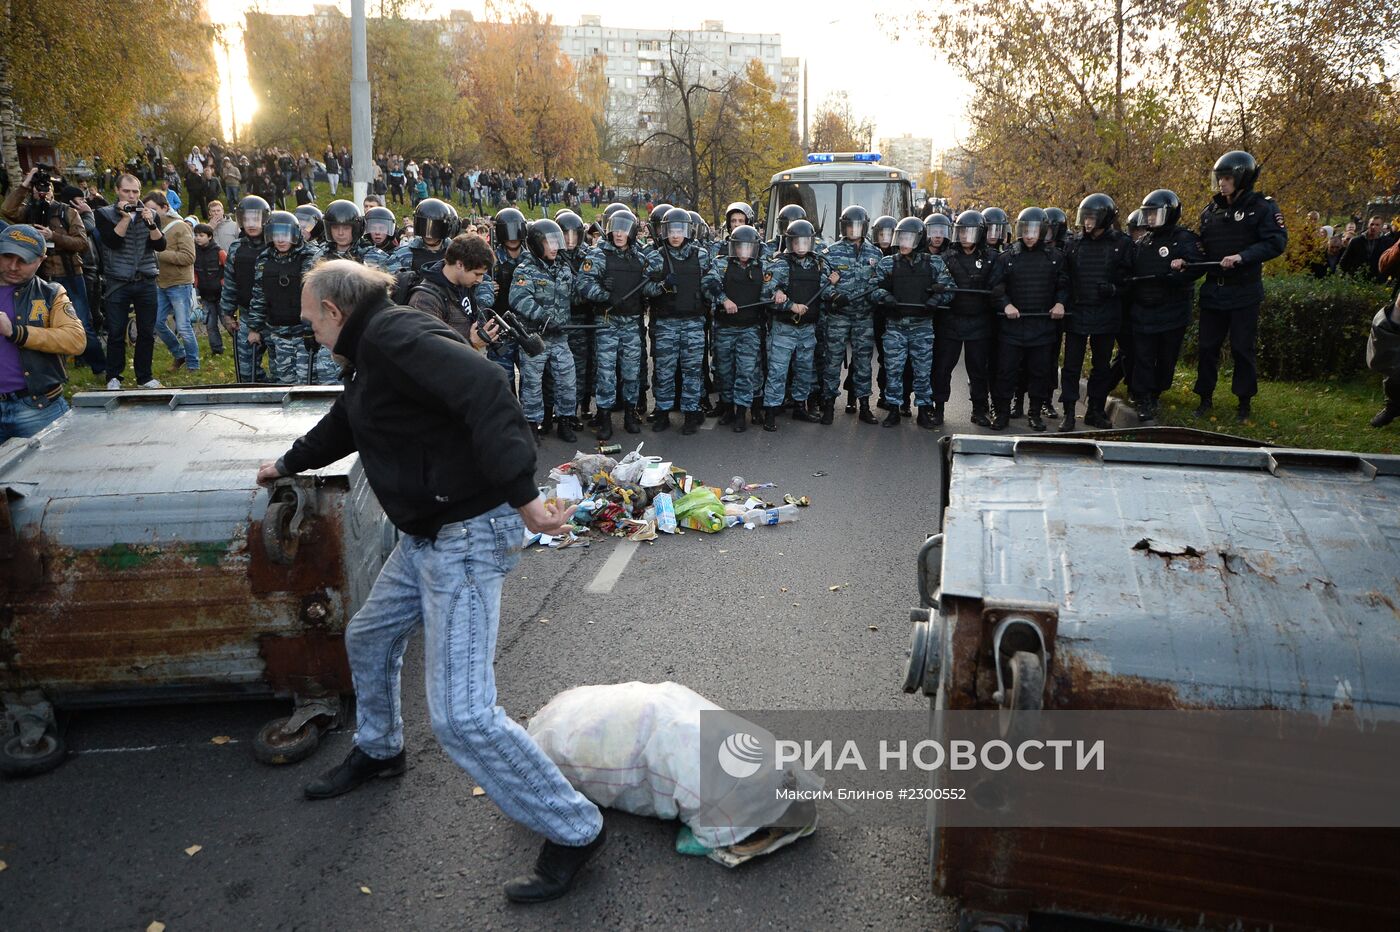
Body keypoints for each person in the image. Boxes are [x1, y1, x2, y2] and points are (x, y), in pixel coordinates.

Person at [262, 260, 606, 903]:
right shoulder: (374, 347)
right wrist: (287, 463)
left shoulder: (395, 337)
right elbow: (350, 420)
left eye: (310, 319)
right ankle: (381, 747)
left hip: (467, 534)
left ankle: (576, 829)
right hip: (429, 532)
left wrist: (524, 495)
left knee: (462, 717)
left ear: (335, 311)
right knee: (368, 634)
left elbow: (489, 389)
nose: (308, 330)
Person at [1193, 150, 1287, 423]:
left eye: (1227, 178)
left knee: (1242, 348)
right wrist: (1186, 257)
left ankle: (1244, 403)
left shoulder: (1262, 208)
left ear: (1242, 178)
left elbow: (1276, 242)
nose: (1222, 183)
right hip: (1213, 291)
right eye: (1219, 178)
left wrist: (1243, 257)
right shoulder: (1210, 211)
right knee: (1207, 347)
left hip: (1244, 291)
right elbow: (1203, 247)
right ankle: (1204, 398)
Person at [1, 166, 104, 373]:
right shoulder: (28, 211)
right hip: (37, 276)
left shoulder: (67, 211)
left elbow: (82, 243)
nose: (42, 191)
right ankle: (57, 366)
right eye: (38, 187)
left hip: (69, 274)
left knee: (82, 323)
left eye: (47, 187)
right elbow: (8, 211)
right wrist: (24, 184)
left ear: (52, 190)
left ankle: (100, 366)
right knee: (41, 325)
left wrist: (53, 236)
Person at [577, 210, 661, 439]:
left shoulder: (639, 257)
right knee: (606, 371)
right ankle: (604, 416)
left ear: (632, 232)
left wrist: (663, 286)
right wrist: (604, 294)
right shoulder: (598, 255)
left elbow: (646, 287)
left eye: (625, 229)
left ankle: (630, 414)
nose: (619, 234)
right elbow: (582, 284)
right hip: (607, 321)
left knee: (632, 371)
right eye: (616, 228)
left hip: (632, 322)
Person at [0, 224, 86, 441]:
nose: (12, 266)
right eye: (7, 256)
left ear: (41, 260)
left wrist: (17, 333)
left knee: (52, 474)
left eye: (23, 260)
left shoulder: (51, 293)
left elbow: (75, 340)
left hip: (39, 407)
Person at [1128, 189, 1207, 423]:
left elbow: (1198, 265)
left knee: (1166, 357)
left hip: (1172, 312)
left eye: (1155, 214)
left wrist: (1183, 267)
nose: (1150, 218)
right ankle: (1143, 398)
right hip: (1144, 310)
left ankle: (1156, 392)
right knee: (1142, 356)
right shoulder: (1144, 242)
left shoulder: (1184, 239)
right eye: (1148, 214)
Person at [868, 217, 954, 429]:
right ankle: (894, 409)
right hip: (895, 326)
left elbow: (949, 287)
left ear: (918, 240)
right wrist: (884, 297)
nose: (904, 243)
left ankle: (924, 410)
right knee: (893, 370)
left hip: (922, 326)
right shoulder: (888, 263)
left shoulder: (933, 263)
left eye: (909, 238)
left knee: (922, 371)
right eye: (901, 238)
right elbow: (872, 288)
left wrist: (937, 298)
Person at [1057, 193, 1133, 431]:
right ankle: (1069, 412)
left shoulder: (1122, 244)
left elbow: (1131, 280)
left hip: (1106, 313)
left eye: (1092, 218)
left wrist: (1114, 289)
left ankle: (1096, 410)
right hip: (1078, 312)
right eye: (1085, 217)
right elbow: (1064, 278)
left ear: (1105, 218)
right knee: (1071, 365)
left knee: (1101, 366)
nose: (1087, 222)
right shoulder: (1074, 244)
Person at [989, 207, 1069, 432]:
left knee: (1039, 372)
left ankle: (1034, 414)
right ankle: (1003, 413)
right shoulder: (1008, 257)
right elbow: (995, 287)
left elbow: (1064, 285)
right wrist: (1006, 304)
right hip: (1012, 327)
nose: (1030, 235)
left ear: (1043, 231)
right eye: (1026, 230)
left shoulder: (1055, 258)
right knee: (1006, 371)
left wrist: (1060, 303)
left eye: (1034, 230)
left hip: (1042, 326)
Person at [247, 210, 336, 385]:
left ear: (295, 234)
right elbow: (259, 295)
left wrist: (314, 329)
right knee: (284, 381)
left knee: (306, 381)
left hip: (304, 333)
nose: (281, 240)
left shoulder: (312, 256)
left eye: (285, 234)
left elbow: (319, 295)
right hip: (278, 332)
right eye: (276, 234)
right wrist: (254, 328)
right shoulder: (264, 260)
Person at [95, 174, 168, 389]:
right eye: (127, 191)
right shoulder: (104, 214)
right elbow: (112, 242)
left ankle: (144, 377)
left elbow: (161, 245)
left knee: (146, 332)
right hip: (118, 280)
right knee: (116, 332)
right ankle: (114, 376)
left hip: (145, 279)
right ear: (117, 191)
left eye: (135, 191)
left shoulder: (150, 214)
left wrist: (151, 224)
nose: (131, 195)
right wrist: (125, 218)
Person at [509, 219, 578, 442]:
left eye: (556, 242)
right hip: (534, 338)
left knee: (567, 380)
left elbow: (574, 296)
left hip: (560, 338)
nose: (555, 247)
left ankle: (565, 421)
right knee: (532, 383)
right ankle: (531, 425)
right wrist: (545, 318)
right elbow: (519, 299)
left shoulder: (564, 268)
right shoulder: (524, 269)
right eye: (550, 242)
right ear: (537, 244)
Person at [648, 206, 713, 434]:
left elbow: (711, 281)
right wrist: (662, 285)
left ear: (687, 231)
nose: (675, 235)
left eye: (680, 230)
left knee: (692, 371)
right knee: (665, 370)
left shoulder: (701, 255)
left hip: (694, 322)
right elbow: (644, 288)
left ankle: (691, 413)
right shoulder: (657, 257)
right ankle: (663, 412)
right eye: (671, 230)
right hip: (667, 322)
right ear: (665, 231)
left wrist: (715, 291)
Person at [760, 218, 829, 430]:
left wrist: (833, 281)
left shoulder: (818, 263)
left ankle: (800, 406)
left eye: (805, 241)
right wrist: (790, 304)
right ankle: (771, 411)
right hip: (784, 328)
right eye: (796, 242)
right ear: (790, 242)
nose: (801, 246)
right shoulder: (781, 264)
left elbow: (826, 289)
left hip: (807, 328)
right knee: (778, 371)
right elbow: (765, 293)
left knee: (804, 370)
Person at [703, 224, 772, 432]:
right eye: (740, 247)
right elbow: (708, 282)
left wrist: (776, 295)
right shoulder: (722, 263)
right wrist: (724, 300)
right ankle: (727, 409)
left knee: (745, 371)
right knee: (724, 370)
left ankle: (742, 412)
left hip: (749, 328)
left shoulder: (763, 266)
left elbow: (772, 287)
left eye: (748, 247)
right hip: (725, 328)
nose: (744, 251)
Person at [821, 205, 883, 424]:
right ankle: (828, 403)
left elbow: (879, 282)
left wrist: (876, 296)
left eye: (857, 226)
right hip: (838, 316)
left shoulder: (875, 253)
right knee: (832, 360)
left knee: (863, 362)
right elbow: (822, 284)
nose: (853, 230)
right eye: (849, 226)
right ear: (843, 227)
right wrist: (834, 296)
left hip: (863, 317)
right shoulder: (831, 252)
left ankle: (863, 404)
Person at [934, 210, 995, 428]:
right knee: (942, 367)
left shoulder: (991, 257)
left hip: (979, 321)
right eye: (962, 231)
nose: (965, 236)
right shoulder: (946, 258)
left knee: (978, 368)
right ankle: (938, 407)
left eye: (970, 232)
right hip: (951, 320)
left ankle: (979, 409)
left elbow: (999, 283)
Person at [404, 232, 494, 348]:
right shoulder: (426, 300)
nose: (480, 280)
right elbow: (428, 350)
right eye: (477, 274)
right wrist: (472, 344)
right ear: (460, 264)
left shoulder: (462, 284)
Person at [475, 207, 530, 387]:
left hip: (526, 327)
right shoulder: (491, 260)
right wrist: (486, 286)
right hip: (500, 328)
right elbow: (476, 286)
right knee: (503, 381)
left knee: (530, 382)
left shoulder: (531, 259)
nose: (512, 237)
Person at [219, 196, 272, 383]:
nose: (251, 224)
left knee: (281, 373)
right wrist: (226, 313)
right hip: (246, 315)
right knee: (246, 371)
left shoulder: (276, 246)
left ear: (265, 219)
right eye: (247, 219)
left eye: (255, 219)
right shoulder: (236, 248)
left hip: (274, 318)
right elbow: (230, 283)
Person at [147, 191, 200, 373]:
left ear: (165, 208)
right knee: (157, 323)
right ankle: (179, 354)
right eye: (147, 209)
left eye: (153, 209)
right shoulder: (148, 227)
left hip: (179, 283)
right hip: (160, 282)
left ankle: (193, 364)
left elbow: (189, 257)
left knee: (184, 326)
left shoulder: (180, 227)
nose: (150, 213)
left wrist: (159, 254)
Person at [390, 198, 459, 275]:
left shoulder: (457, 253)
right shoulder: (403, 255)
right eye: (424, 227)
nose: (428, 235)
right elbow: (390, 279)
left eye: (435, 229)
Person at [192, 223, 227, 356]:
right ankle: (217, 350)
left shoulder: (219, 251)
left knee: (226, 321)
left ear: (210, 236)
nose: (198, 238)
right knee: (210, 324)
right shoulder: (194, 251)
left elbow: (229, 268)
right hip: (206, 295)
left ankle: (239, 344)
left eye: (201, 235)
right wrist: (195, 285)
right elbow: (194, 271)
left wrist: (225, 284)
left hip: (221, 294)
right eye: (196, 235)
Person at [1340, 215, 1398, 282]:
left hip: (1377, 281)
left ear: (1381, 227)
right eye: (1372, 224)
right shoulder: (1356, 241)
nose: (1373, 227)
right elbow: (1344, 261)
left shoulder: (1388, 243)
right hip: (1355, 279)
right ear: (1368, 225)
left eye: (1377, 225)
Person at [359, 206, 398, 270]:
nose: (377, 232)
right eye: (373, 228)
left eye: (382, 228)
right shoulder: (361, 251)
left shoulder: (397, 253)